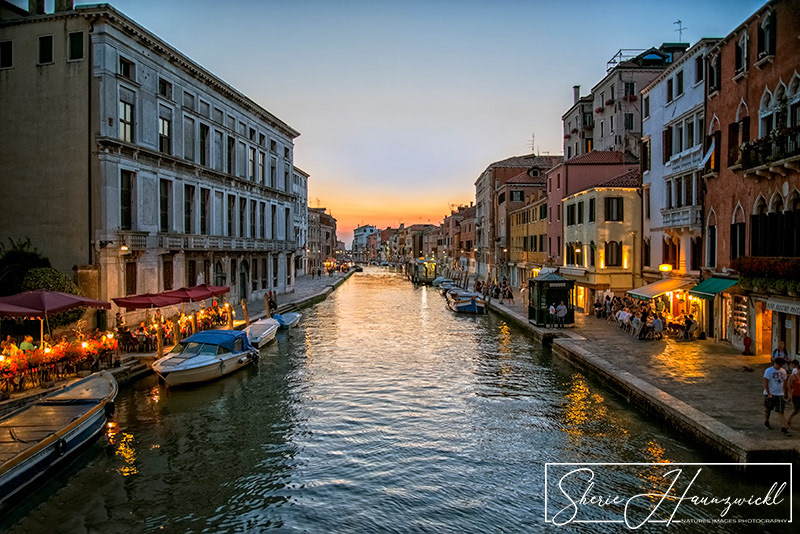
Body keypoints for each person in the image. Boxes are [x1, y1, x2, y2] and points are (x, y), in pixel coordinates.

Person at [763, 357, 789, 434]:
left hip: (780, 393)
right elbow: (766, 383)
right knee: (768, 409)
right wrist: (768, 393)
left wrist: (785, 392)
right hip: (771, 393)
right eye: (778, 364)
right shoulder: (768, 371)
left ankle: (783, 427)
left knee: (781, 411)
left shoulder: (783, 371)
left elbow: (784, 382)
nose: (779, 366)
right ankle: (766, 421)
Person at [786, 360, 800, 430]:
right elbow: (789, 385)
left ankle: (789, 419)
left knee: (797, 410)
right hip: (795, 395)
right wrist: (790, 394)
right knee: (796, 409)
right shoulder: (793, 376)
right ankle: (789, 419)